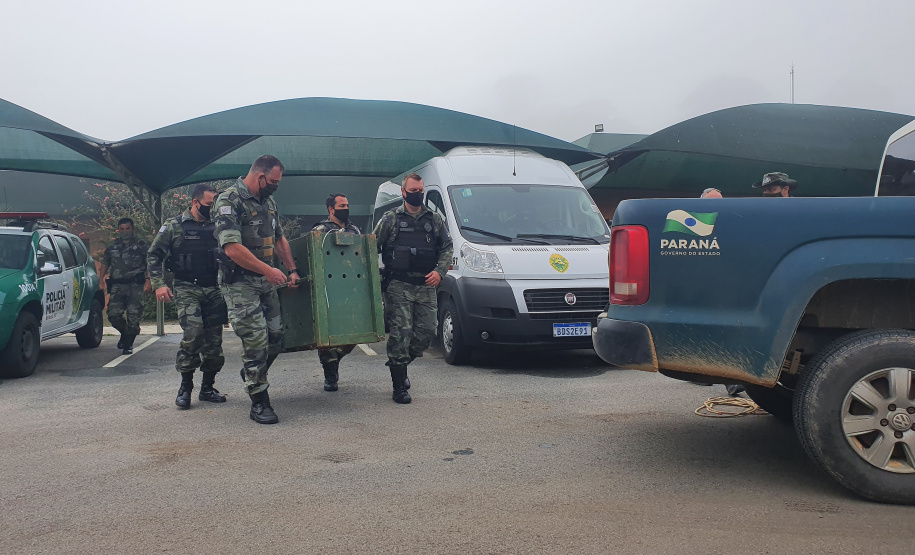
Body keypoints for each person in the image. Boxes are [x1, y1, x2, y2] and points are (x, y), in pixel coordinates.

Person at [213, 155, 300, 425]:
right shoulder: (229, 200)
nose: (275, 186)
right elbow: (232, 248)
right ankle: (259, 401)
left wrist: (291, 269)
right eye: (273, 181)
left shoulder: (268, 202)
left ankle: (253, 371)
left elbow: (279, 238)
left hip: (265, 283)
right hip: (240, 283)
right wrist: (269, 270)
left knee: (276, 338)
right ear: (260, 176)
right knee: (256, 341)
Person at [373, 173, 453, 404]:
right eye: (414, 190)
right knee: (401, 334)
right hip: (398, 285)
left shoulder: (434, 219)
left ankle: (400, 366)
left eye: (421, 190)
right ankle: (399, 387)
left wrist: (440, 272)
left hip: (426, 286)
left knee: (427, 332)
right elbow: (371, 247)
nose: (418, 194)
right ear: (403, 191)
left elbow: (447, 247)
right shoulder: (390, 219)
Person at [147, 184, 229, 410]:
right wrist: (158, 284)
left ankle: (208, 387)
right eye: (209, 205)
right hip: (186, 288)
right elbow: (154, 255)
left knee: (214, 342)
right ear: (195, 202)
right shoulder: (174, 225)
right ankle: (186, 386)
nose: (213, 210)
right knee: (193, 334)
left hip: (215, 289)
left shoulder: (220, 226)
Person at [312, 193, 361, 392]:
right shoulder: (320, 230)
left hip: (350, 287)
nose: (346, 208)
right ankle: (330, 373)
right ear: (331, 209)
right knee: (327, 334)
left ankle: (335, 359)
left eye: (347, 204)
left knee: (356, 331)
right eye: (342, 205)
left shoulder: (354, 230)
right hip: (327, 287)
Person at [99, 218, 150, 355]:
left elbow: (149, 263)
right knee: (113, 315)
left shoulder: (141, 246)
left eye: (127, 229)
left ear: (132, 229)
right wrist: (101, 279)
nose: (125, 232)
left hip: (135, 285)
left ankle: (128, 344)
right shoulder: (112, 247)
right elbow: (105, 263)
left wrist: (149, 280)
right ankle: (126, 333)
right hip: (117, 285)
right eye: (122, 229)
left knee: (134, 317)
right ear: (118, 230)